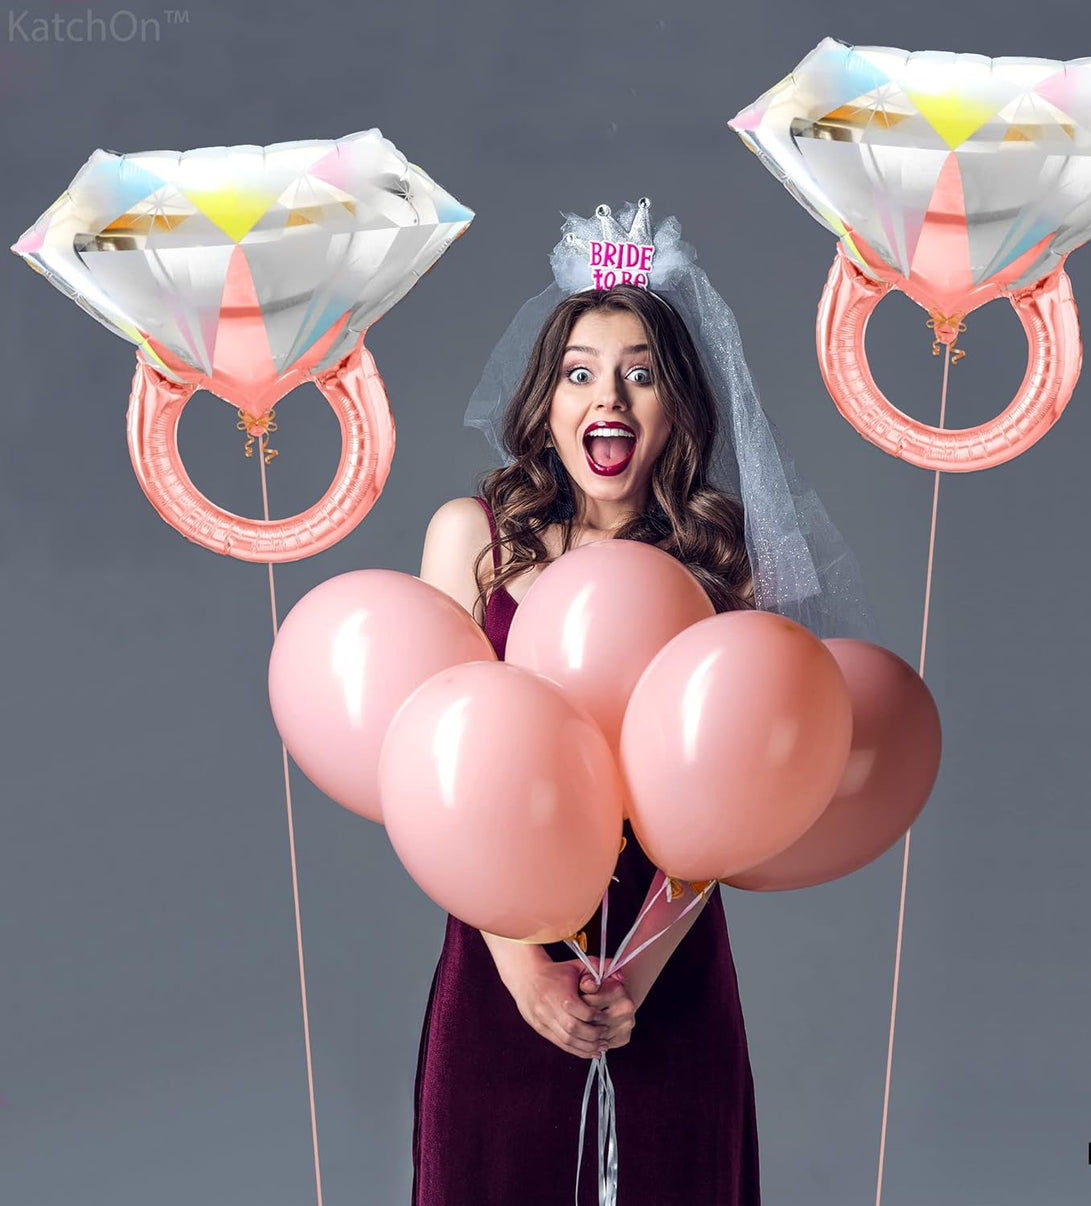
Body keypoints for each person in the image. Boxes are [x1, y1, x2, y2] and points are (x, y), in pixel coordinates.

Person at [411, 200, 874, 1205]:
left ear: (676, 408)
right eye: (579, 372)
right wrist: (526, 973)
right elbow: (431, 778)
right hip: (498, 976)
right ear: (546, 401)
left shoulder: (724, 567)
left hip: (668, 977)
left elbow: (738, 802)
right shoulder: (471, 542)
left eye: (641, 372)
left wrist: (635, 980)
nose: (608, 395)